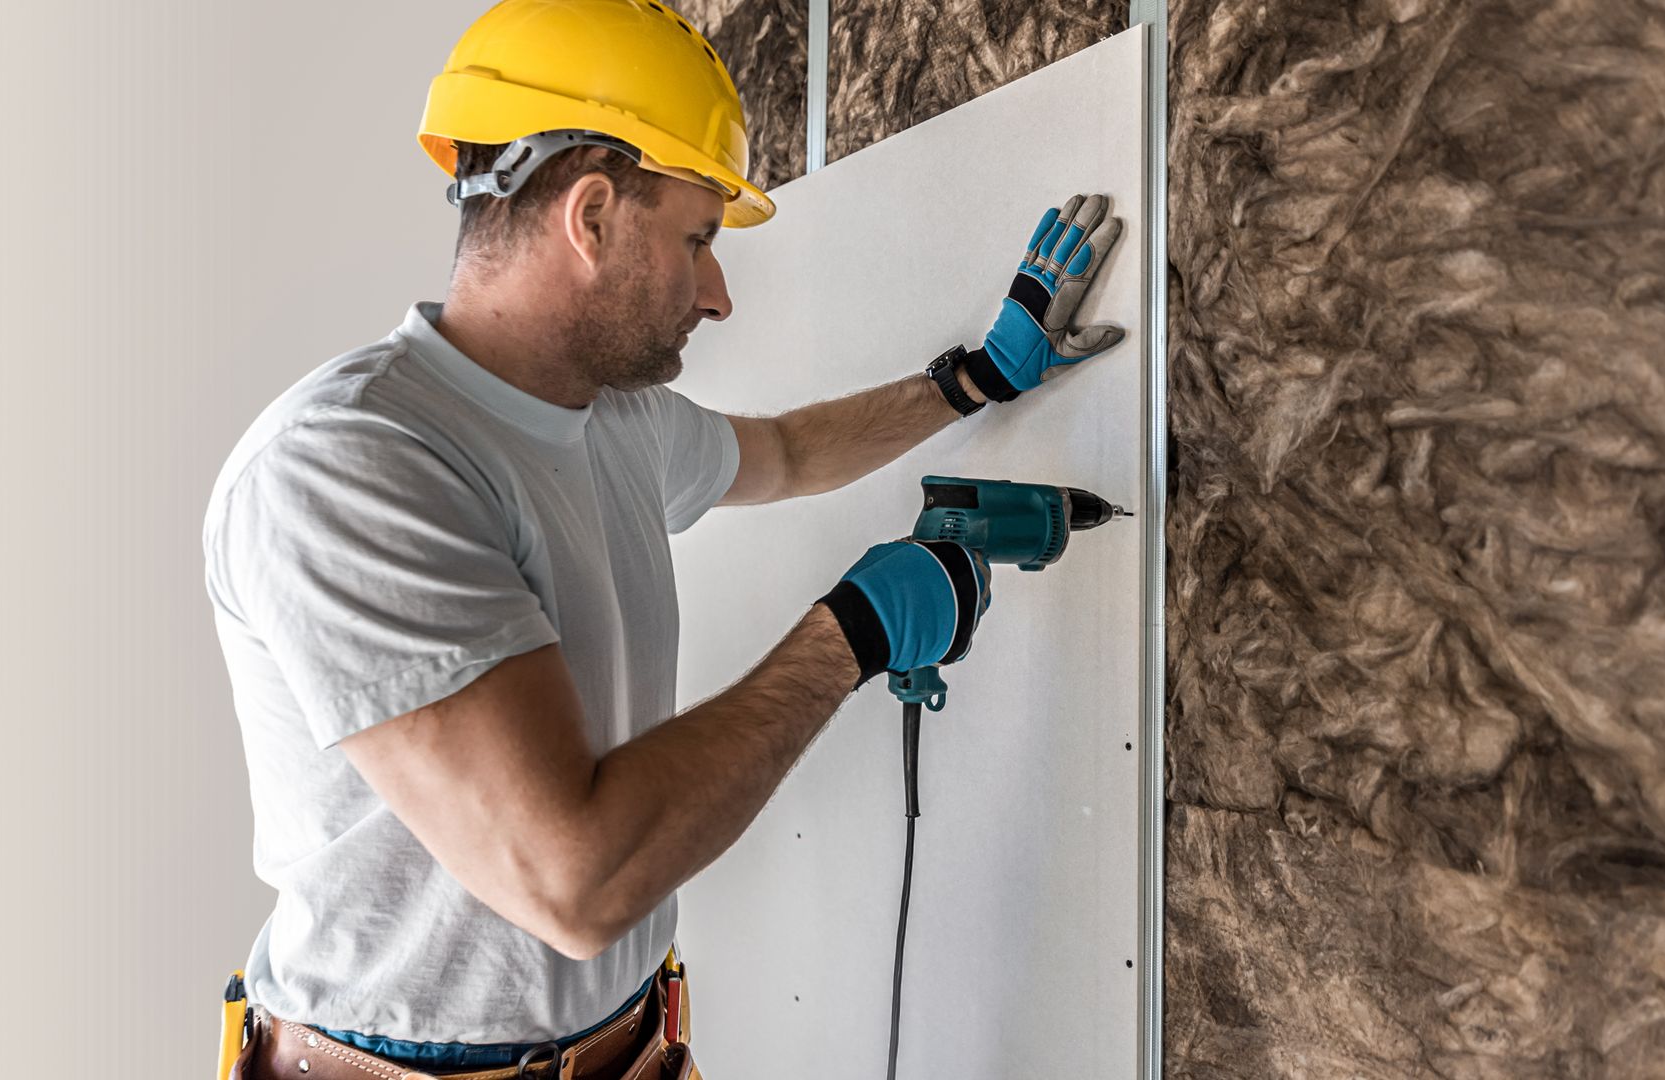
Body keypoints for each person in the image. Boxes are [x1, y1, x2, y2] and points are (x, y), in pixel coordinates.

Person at [204, 1, 1125, 1077]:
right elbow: (575, 881)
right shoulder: (353, 467)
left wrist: (975, 378)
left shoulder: (611, 418)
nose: (718, 292)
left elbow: (785, 452)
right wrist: (852, 636)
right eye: (698, 241)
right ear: (591, 218)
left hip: (634, 1048)